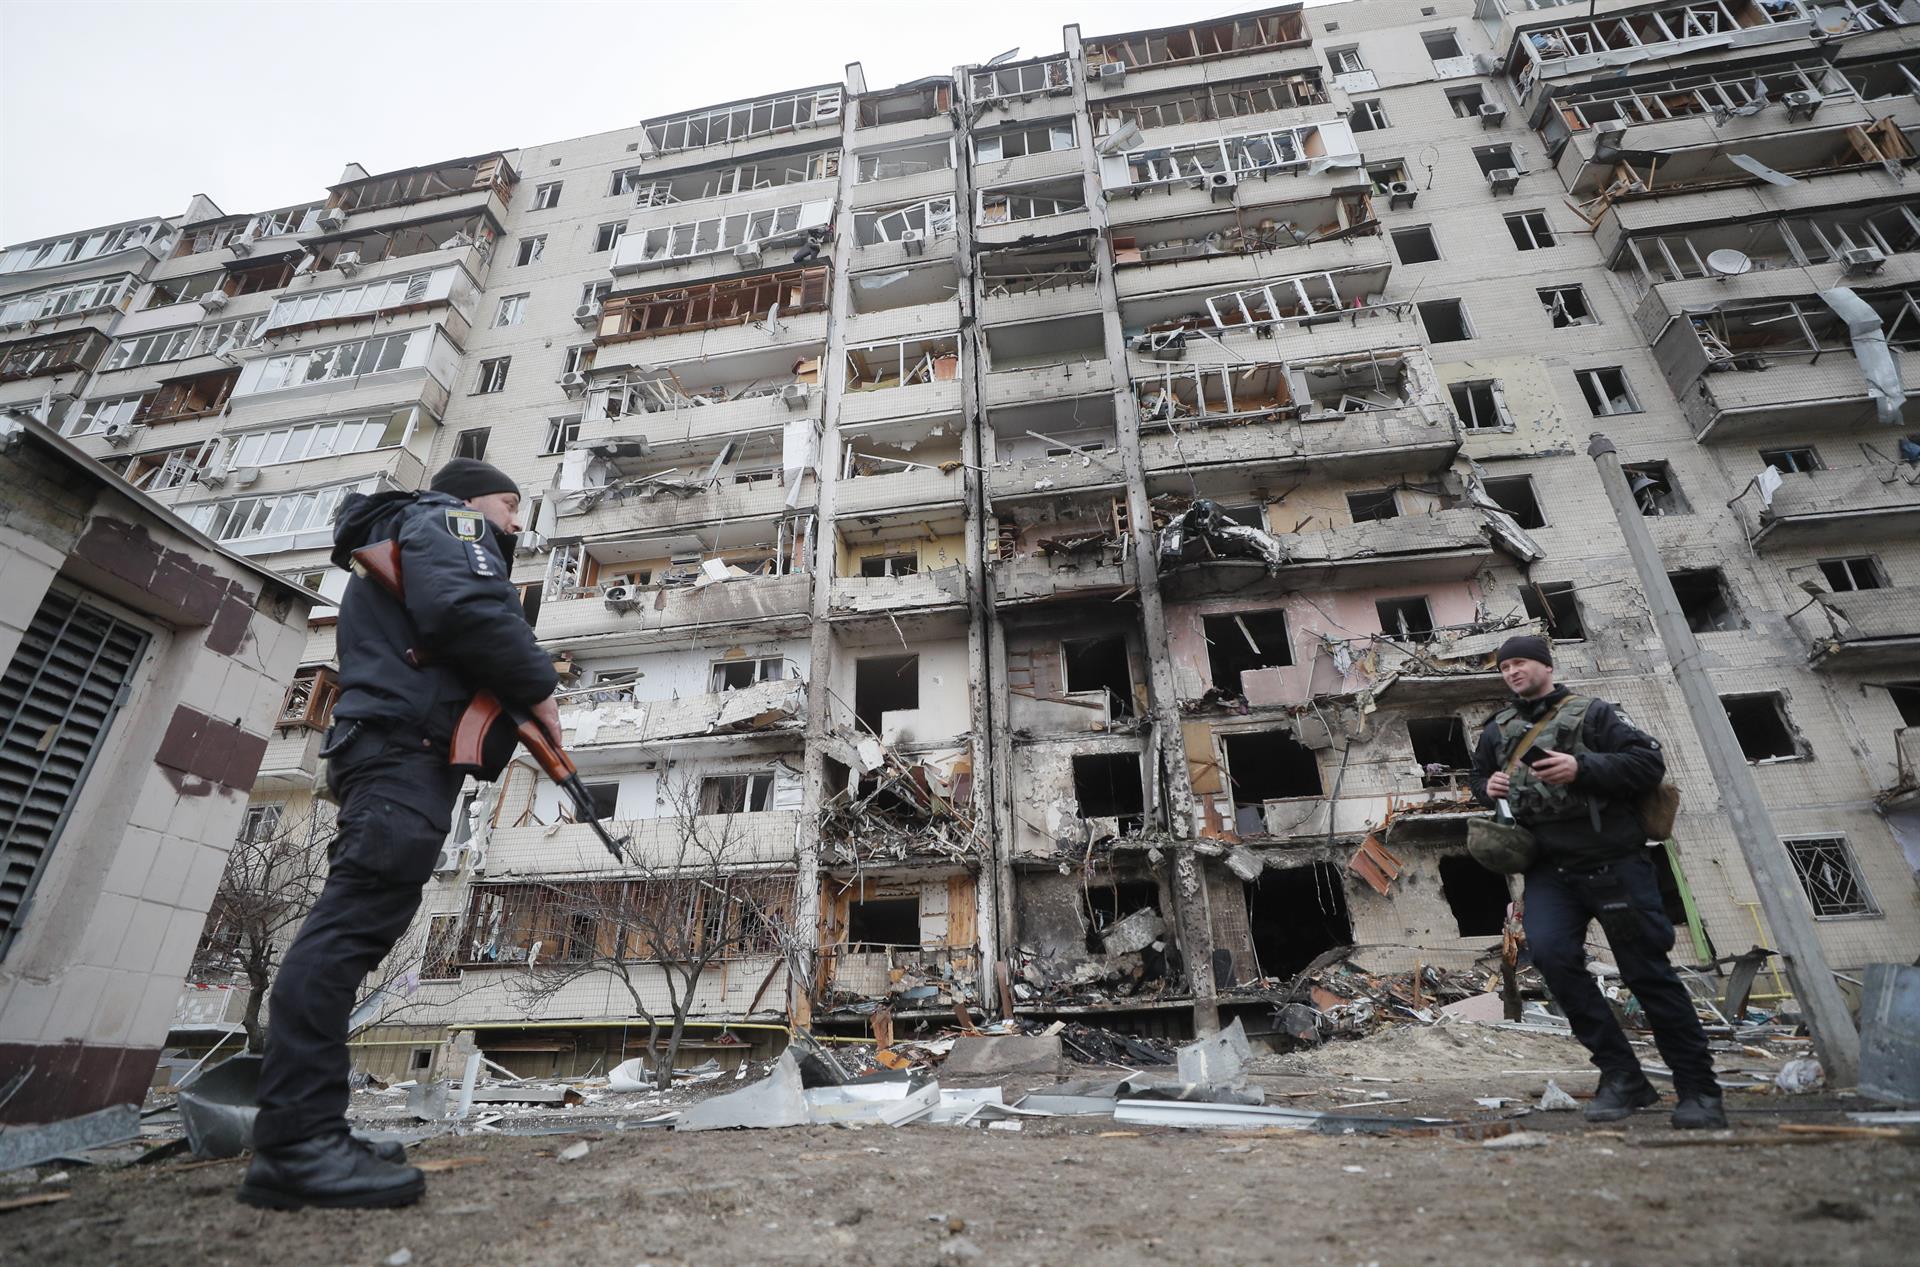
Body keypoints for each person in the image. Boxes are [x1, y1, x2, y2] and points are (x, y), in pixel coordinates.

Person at [240, 458, 562, 1209]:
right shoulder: (447, 523)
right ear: (470, 499)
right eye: (509, 506)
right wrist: (539, 690)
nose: (515, 524)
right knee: (346, 931)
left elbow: (449, 628)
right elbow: (470, 610)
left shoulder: (411, 539)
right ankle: (296, 1146)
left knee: (355, 928)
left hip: (392, 750)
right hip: (399, 753)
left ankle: (311, 1130)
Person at [1468, 634, 1725, 1130]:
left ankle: (1698, 1089)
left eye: (1520, 663)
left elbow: (1648, 763)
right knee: (1553, 960)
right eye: (1504, 668)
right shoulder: (1498, 729)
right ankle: (1622, 1077)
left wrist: (1581, 767)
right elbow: (1480, 778)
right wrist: (1487, 787)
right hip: (1548, 870)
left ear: (1545, 665)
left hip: (1613, 863)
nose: (1512, 673)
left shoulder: (1595, 713)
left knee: (1646, 973)